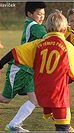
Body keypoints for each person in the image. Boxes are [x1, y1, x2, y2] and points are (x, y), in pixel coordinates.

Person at [0, 12, 74, 131]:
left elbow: (15, 52)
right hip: (59, 95)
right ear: (65, 29)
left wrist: (0, 63)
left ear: (46, 29)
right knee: (63, 127)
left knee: (40, 104)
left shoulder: (37, 44)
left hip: (41, 93)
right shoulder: (67, 46)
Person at [0, 2, 46, 132]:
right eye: (39, 14)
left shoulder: (35, 25)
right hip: (19, 68)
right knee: (5, 98)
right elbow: (46, 36)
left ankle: (13, 125)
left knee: (35, 100)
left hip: (29, 71)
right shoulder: (33, 26)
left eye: (43, 14)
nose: (41, 16)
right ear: (29, 14)